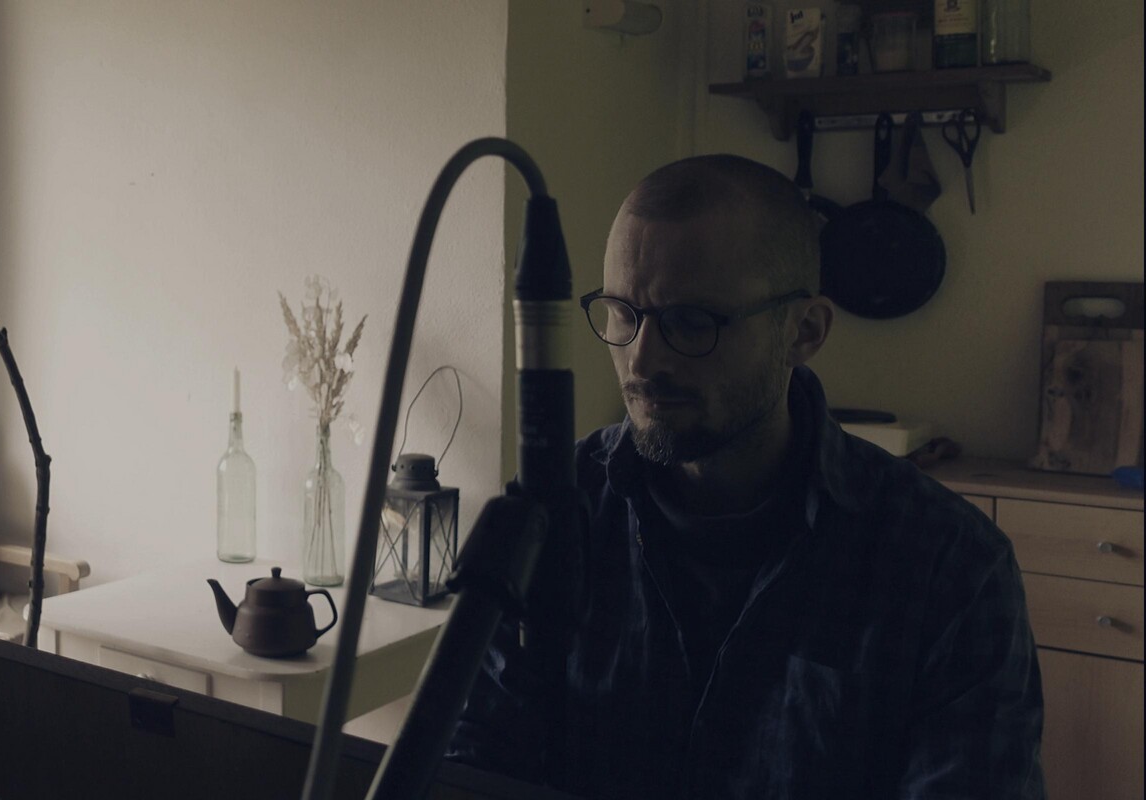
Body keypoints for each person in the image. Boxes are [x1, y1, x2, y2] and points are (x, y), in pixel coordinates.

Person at [447, 155, 1044, 798]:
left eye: (691, 322)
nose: (642, 360)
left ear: (804, 332)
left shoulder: (948, 567)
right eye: (623, 313)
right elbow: (474, 766)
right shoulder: (555, 509)